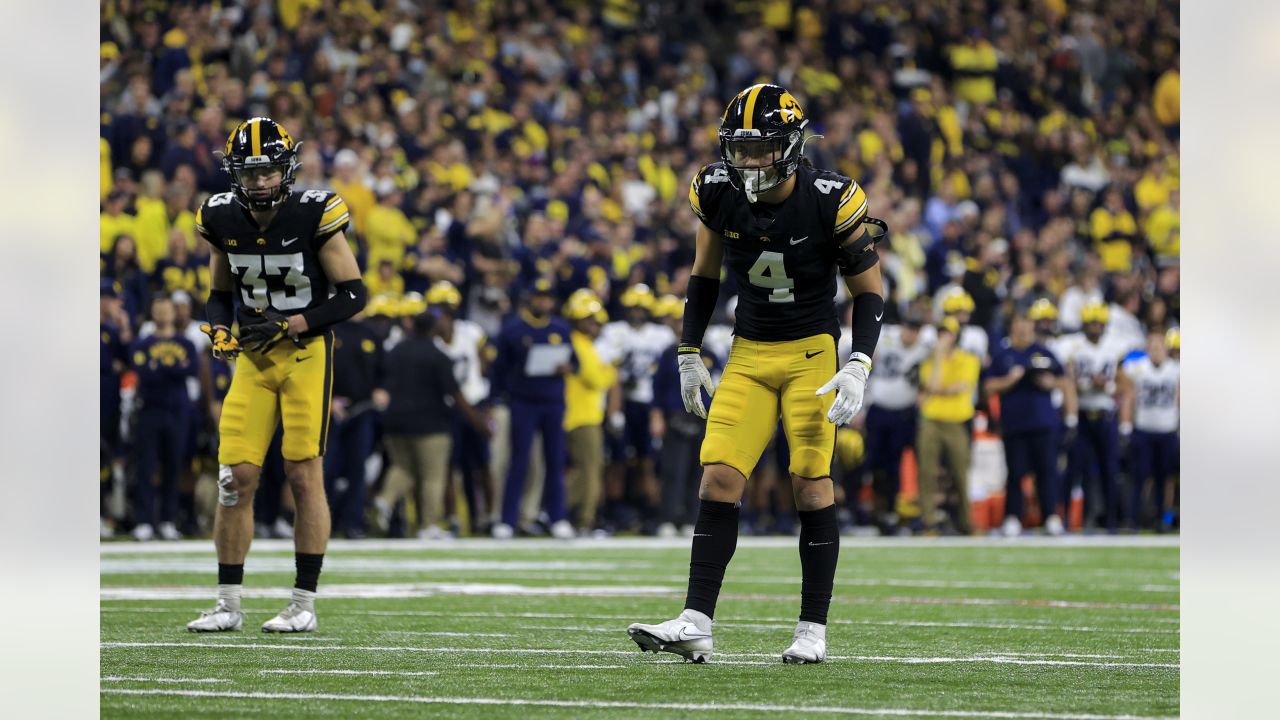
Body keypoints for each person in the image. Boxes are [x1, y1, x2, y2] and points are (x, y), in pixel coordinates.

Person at [628, 84, 887, 664]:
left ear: (791, 146)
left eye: (761, 149)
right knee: (718, 477)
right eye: (739, 149)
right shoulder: (716, 191)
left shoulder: (830, 197)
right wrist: (688, 351)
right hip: (748, 349)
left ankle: (812, 629)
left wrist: (859, 363)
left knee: (810, 482)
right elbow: (704, 275)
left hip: (810, 353)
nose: (747, 162)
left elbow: (869, 292)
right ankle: (696, 620)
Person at [186, 117, 367, 634]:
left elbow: (354, 294)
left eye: (268, 171)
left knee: (302, 475)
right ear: (234, 173)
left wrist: (291, 325)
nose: (260, 181)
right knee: (233, 478)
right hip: (253, 357)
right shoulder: (220, 216)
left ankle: (303, 603)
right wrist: (221, 330)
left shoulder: (316, 211)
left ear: (287, 169)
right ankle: (227, 603)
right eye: (250, 172)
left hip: (305, 353)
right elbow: (220, 293)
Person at [375, 310, 490, 539]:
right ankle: (428, 525)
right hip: (430, 423)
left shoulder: (396, 351)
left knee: (403, 467)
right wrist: (478, 421)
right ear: (432, 328)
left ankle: (384, 500)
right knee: (432, 475)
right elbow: (455, 394)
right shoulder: (437, 355)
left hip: (395, 421)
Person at [489, 279, 578, 539]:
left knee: (555, 459)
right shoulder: (513, 330)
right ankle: (507, 519)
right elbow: (499, 370)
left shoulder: (560, 328)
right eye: (539, 297)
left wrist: (566, 368)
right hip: (523, 401)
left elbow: (575, 363)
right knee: (519, 460)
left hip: (552, 401)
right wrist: (495, 400)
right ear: (530, 299)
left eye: (547, 297)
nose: (543, 302)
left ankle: (557, 516)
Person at [985, 314, 1066, 537]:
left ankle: (1050, 516)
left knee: (1047, 472)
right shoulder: (1004, 355)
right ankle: (1012, 517)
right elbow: (989, 385)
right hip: (1015, 424)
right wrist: (1010, 380)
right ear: (1012, 328)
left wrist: (1051, 383)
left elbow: (1064, 381)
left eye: (1026, 327)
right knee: (1015, 473)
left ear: (1032, 328)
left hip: (1043, 423)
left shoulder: (1044, 352)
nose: (1023, 331)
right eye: (1019, 326)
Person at [427, 280, 497, 535]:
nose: (444, 314)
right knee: (449, 466)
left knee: (482, 465)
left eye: (448, 308)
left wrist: (487, 405)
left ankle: (489, 515)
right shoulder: (429, 339)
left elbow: (485, 365)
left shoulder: (471, 332)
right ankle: (453, 517)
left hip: (475, 402)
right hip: (446, 409)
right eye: (440, 308)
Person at [128, 296, 198, 541]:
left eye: (166, 310)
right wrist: (173, 368)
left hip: (178, 411)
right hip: (150, 410)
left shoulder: (186, 342)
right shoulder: (142, 343)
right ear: (152, 313)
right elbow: (143, 373)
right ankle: (144, 520)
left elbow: (192, 369)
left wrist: (159, 367)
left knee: (173, 467)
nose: (162, 314)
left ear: (173, 313)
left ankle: (168, 519)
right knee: (146, 467)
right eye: (158, 310)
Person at [856, 311, 929, 534]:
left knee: (893, 466)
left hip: (903, 416)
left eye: (915, 330)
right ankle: (863, 512)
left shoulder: (924, 351)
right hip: (878, 411)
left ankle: (889, 512)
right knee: (868, 463)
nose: (911, 334)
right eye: (909, 328)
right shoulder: (885, 339)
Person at [1061, 302, 1125, 533]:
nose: (1096, 328)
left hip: (1106, 415)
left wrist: (1106, 387)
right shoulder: (1074, 346)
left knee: (1110, 469)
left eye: (1099, 323)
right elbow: (1067, 380)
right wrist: (1087, 384)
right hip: (1082, 413)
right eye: (1091, 323)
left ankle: (1111, 522)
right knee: (1075, 469)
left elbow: (1125, 383)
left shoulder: (1114, 347)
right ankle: (1066, 521)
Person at [914, 318, 981, 535]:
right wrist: (940, 357)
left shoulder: (969, 359)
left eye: (948, 333)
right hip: (931, 421)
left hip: (956, 422)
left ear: (956, 336)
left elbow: (960, 387)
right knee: (926, 472)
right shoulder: (930, 360)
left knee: (960, 474)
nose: (943, 337)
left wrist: (936, 391)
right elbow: (933, 384)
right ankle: (929, 522)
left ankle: (966, 522)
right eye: (941, 333)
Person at [323, 305, 384, 539]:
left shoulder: (372, 334)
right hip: (331, 410)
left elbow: (384, 372)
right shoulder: (330, 331)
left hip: (362, 410)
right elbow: (319, 368)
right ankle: (323, 522)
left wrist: (381, 389)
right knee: (326, 468)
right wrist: (328, 400)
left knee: (358, 469)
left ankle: (353, 522)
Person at [562, 289, 616, 534]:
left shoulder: (583, 344)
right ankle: (583, 519)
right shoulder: (579, 344)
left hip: (580, 414)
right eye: (589, 320)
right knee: (590, 472)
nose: (594, 325)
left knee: (583, 471)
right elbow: (598, 379)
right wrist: (609, 370)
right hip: (582, 417)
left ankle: (566, 513)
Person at [1119, 329, 1180, 531]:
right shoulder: (1138, 369)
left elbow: (1180, 398)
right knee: (1139, 478)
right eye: (1152, 347)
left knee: (1165, 479)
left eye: (1159, 347)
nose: (1155, 351)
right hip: (1143, 430)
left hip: (1167, 430)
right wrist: (1126, 426)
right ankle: (1132, 519)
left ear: (1166, 349)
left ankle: (1162, 519)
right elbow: (1128, 396)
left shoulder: (1175, 369)